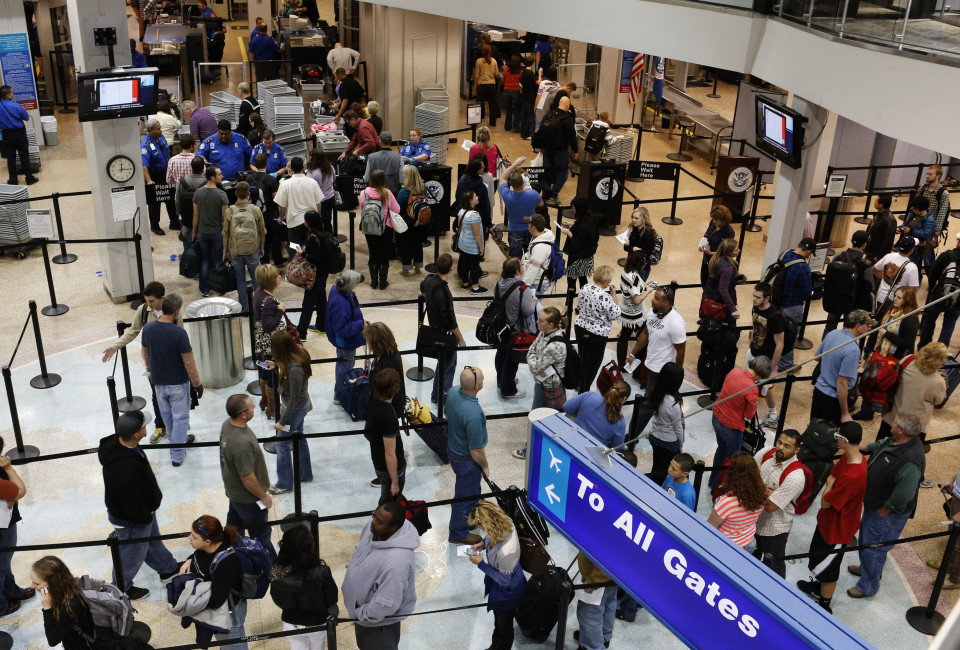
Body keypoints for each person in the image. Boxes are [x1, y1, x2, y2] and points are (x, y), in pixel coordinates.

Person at [98, 411, 179, 600]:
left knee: (151, 541)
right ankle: (120, 588)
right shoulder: (125, 468)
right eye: (143, 426)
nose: (146, 428)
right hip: (132, 520)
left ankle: (167, 568)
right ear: (136, 434)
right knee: (131, 555)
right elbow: (130, 501)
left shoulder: (121, 443)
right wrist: (144, 517)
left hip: (143, 512)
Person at [848, 413, 925, 599]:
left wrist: (887, 508)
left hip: (886, 513)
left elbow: (904, 494)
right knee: (868, 542)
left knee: (874, 548)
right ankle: (868, 570)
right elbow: (883, 444)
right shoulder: (898, 441)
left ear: (902, 430)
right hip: (875, 505)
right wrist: (866, 447)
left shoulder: (911, 459)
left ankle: (867, 586)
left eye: (895, 423)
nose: (892, 424)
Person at [797, 422, 867, 614]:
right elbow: (833, 474)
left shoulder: (853, 475)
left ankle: (824, 604)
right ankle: (817, 587)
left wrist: (828, 485)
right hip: (828, 522)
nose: (836, 440)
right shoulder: (851, 457)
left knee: (829, 569)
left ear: (844, 440)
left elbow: (825, 501)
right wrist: (830, 482)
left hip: (838, 529)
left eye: (837, 436)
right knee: (818, 559)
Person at [102, 282, 181, 441]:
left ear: (162, 298)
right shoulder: (143, 310)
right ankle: (160, 426)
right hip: (153, 363)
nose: (149, 304)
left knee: (175, 394)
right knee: (157, 395)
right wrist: (114, 347)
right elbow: (132, 331)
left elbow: (180, 336)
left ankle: (178, 423)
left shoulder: (173, 311)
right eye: (147, 301)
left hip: (171, 363)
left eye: (152, 301)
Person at [341, 502, 419, 650]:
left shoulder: (397, 563)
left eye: (379, 522)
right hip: (363, 619)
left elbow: (385, 605)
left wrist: (361, 614)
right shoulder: (372, 529)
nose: (373, 522)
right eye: (374, 517)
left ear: (393, 528)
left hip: (379, 627)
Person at [141, 294, 202, 467]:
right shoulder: (179, 333)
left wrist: (149, 369)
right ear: (176, 312)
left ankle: (179, 440)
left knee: (167, 416)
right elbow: (189, 363)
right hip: (178, 384)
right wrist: (197, 384)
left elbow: (145, 352)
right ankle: (177, 455)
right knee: (180, 418)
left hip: (158, 383)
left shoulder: (148, 328)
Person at [178, 515, 252, 648]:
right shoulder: (207, 547)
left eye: (194, 537)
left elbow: (216, 600)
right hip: (217, 606)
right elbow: (199, 556)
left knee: (233, 646)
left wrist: (190, 602)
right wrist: (190, 559)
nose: (189, 538)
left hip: (228, 615)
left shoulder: (227, 562)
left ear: (207, 541)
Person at [219, 395, 275, 557]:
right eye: (251, 406)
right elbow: (247, 478)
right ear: (243, 414)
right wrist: (263, 496)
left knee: (234, 530)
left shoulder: (227, 425)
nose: (255, 407)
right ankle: (269, 562)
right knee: (261, 536)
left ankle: (235, 556)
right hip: (249, 499)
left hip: (234, 493)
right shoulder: (241, 444)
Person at [466, 502, 526, 650]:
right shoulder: (503, 522)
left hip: (507, 590)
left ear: (487, 524)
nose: (481, 530)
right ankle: (495, 646)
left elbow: (504, 581)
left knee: (504, 625)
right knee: (498, 622)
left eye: (481, 527)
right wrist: (482, 544)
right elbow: (490, 537)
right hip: (499, 582)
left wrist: (481, 564)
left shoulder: (507, 552)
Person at [853, 287, 919, 420]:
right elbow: (881, 325)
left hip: (895, 360)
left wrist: (887, 334)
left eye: (899, 297)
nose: (895, 299)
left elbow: (907, 343)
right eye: (895, 296)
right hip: (881, 353)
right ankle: (866, 412)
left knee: (887, 389)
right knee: (871, 382)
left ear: (907, 300)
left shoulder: (910, 319)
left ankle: (887, 417)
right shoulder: (891, 310)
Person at [269, 526, 338, 650]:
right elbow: (332, 598)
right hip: (317, 620)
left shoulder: (277, 572)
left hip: (291, 620)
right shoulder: (322, 572)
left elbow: (276, 598)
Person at [265, 332, 314, 495]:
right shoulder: (297, 353)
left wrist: (282, 421)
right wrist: (275, 367)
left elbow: (293, 399)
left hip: (295, 409)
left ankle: (285, 483)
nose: (272, 350)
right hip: (300, 405)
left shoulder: (295, 370)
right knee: (299, 436)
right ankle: (305, 473)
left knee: (282, 444)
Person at [446, 367, 489, 545]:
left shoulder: (453, 392)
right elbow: (476, 450)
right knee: (464, 497)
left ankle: (470, 517)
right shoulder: (473, 414)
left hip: (453, 448)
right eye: (482, 378)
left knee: (472, 491)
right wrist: (485, 466)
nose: (484, 380)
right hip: (466, 459)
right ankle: (458, 533)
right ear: (477, 385)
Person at [708, 356, 766, 488]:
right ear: (761, 374)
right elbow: (749, 415)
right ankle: (722, 486)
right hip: (731, 427)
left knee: (721, 449)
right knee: (733, 460)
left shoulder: (734, 371)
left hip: (717, 416)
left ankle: (713, 481)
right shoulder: (752, 389)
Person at [753, 429, 805, 578]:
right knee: (751, 559)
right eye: (780, 442)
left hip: (774, 529)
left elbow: (770, 507)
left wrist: (757, 486)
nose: (781, 447)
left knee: (774, 568)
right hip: (752, 520)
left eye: (787, 446)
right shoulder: (765, 453)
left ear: (796, 450)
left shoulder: (795, 476)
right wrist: (769, 491)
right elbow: (748, 477)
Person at [876, 342, 948, 445]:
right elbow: (938, 401)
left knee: (880, 446)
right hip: (913, 426)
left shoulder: (909, 359)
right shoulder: (938, 381)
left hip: (892, 416)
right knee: (906, 452)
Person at [812, 310, 874, 425]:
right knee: (828, 433)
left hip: (818, 391)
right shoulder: (853, 349)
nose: (870, 328)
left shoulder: (833, 333)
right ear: (858, 326)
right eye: (867, 325)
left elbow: (817, 356)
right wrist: (845, 413)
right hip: (832, 399)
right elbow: (842, 383)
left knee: (813, 428)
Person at [421, 254, 467, 402]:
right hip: (445, 335)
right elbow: (451, 321)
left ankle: (445, 392)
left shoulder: (429, 279)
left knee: (449, 364)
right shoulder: (445, 293)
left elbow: (422, 290)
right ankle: (439, 395)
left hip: (434, 329)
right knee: (446, 366)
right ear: (451, 268)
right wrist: (461, 339)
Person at [626, 286, 686, 395]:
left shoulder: (676, 322)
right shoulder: (652, 312)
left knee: (651, 399)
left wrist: (677, 375)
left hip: (663, 370)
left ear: (666, 303)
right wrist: (632, 354)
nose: (652, 300)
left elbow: (681, 350)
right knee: (651, 396)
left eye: (657, 298)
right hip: (649, 363)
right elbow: (645, 334)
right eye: (654, 297)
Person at [493, 258, 536, 402]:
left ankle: (501, 381)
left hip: (500, 327)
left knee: (501, 354)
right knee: (512, 360)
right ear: (518, 270)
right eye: (522, 265)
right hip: (515, 328)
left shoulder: (498, 283)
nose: (524, 266)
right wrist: (534, 302)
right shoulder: (522, 288)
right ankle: (508, 390)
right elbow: (528, 311)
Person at [575, 265, 621, 393]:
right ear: (607, 280)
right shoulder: (605, 296)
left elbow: (579, 305)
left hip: (580, 327)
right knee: (592, 364)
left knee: (582, 358)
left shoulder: (585, 287)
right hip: (596, 334)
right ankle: (584, 390)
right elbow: (616, 314)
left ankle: (579, 383)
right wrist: (614, 295)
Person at [773, 237, 816, 373]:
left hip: (776, 302)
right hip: (792, 305)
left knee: (776, 333)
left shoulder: (785, 254)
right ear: (809, 252)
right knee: (789, 336)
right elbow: (807, 291)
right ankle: (786, 365)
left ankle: (772, 358)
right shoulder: (803, 268)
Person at [32, 556, 95, 649]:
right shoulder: (69, 586)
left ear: (52, 584)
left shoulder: (70, 607)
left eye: (36, 583)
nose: (32, 586)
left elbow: (52, 640)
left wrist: (47, 608)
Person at [708, 453, 767, 551]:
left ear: (731, 473)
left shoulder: (727, 502)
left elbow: (710, 527)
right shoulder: (762, 494)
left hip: (727, 547)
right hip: (749, 542)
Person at [222, 181, 265, 312]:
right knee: (256, 279)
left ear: (235, 193)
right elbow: (262, 232)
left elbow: (226, 233)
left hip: (235, 251)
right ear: (249, 194)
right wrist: (261, 248)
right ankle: (258, 308)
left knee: (240, 280)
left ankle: (245, 309)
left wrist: (225, 251)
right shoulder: (255, 210)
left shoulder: (230, 211)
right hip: (252, 249)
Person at [364, 368, 405, 505]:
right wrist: (395, 481)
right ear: (394, 388)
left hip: (377, 459)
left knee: (386, 498)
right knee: (389, 502)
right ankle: (380, 517)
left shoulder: (374, 402)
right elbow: (389, 454)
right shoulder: (388, 416)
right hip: (389, 469)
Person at [325, 271, 366, 408]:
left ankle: (341, 391)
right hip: (345, 341)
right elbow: (342, 329)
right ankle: (339, 395)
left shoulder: (336, 289)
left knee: (344, 365)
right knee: (345, 367)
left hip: (348, 338)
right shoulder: (340, 303)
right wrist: (360, 324)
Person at [822, 230, 873, 334]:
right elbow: (870, 286)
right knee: (849, 330)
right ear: (864, 245)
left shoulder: (839, 256)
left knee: (830, 327)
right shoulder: (865, 264)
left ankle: (826, 343)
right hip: (852, 304)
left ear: (851, 241)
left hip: (835, 299)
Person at [748, 282, 784, 429]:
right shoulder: (755, 308)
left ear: (767, 298)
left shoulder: (775, 316)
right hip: (753, 352)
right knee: (763, 387)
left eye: (758, 297)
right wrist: (750, 344)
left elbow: (780, 344)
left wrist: (773, 368)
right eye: (753, 296)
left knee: (760, 389)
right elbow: (754, 327)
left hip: (765, 360)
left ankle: (765, 416)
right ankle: (772, 414)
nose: (754, 299)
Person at [253, 264, 286, 417]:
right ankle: (272, 409)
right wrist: (280, 311)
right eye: (276, 276)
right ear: (271, 281)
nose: (280, 277)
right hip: (272, 343)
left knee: (265, 369)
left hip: (264, 343)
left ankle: (265, 400)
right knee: (273, 373)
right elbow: (268, 326)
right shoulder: (269, 301)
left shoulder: (258, 292)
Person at [0, 440, 29, 616]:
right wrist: (9, 468)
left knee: (4, 562)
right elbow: (20, 490)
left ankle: (12, 592)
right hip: (3, 527)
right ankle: (1, 605)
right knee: (1, 565)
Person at [359, 169, 400, 290]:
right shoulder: (387, 193)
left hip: (369, 227)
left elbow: (362, 209)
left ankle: (373, 282)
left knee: (373, 253)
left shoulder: (364, 193)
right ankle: (382, 282)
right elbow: (397, 209)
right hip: (385, 228)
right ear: (383, 180)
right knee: (384, 254)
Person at [296, 210, 334, 339]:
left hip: (315, 275)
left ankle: (301, 333)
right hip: (324, 272)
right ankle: (322, 326)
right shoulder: (324, 234)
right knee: (321, 299)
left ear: (308, 222)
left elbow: (315, 259)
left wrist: (302, 253)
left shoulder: (313, 237)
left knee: (308, 303)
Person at [192, 165, 229, 297]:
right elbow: (226, 218)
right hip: (218, 233)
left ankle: (204, 289)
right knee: (218, 260)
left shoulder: (198, 193)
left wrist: (194, 232)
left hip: (202, 232)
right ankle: (219, 287)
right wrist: (228, 235)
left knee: (205, 261)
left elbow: (196, 215)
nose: (222, 176)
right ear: (212, 177)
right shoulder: (221, 194)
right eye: (219, 174)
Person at [919, 233, 960, 348]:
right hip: (957, 300)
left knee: (929, 319)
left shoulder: (947, 255)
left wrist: (933, 289)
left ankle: (923, 347)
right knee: (949, 324)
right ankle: (940, 352)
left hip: (939, 294)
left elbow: (932, 274)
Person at [646, 362, 685, 480]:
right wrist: (680, 445)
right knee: (665, 472)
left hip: (654, 436)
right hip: (668, 443)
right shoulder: (673, 404)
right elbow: (678, 428)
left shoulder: (656, 394)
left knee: (656, 466)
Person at [536, 96, 578, 203]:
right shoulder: (567, 119)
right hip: (560, 151)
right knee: (562, 173)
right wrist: (576, 150)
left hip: (547, 149)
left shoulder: (548, 115)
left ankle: (546, 195)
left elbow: (541, 131)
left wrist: (540, 145)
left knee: (547, 172)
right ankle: (553, 194)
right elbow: (572, 136)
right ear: (567, 105)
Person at [562, 382, 630, 449]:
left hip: (570, 438)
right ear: (624, 399)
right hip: (590, 452)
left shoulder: (591, 395)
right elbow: (617, 448)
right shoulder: (620, 422)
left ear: (610, 390)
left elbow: (566, 407)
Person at [141, 117, 179, 236]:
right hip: (154, 175)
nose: (160, 130)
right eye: (157, 129)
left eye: (160, 128)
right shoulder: (145, 145)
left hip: (165, 173)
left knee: (170, 198)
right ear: (150, 130)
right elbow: (144, 165)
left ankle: (174, 222)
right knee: (155, 202)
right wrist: (149, 181)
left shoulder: (161, 138)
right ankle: (155, 225)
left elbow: (167, 154)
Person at [526, 305, 567, 412]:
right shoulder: (544, 332)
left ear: (551, 325)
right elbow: (531, 349)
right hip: (541, 380)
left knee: (538, 414)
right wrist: (534, 356)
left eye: (541, 321)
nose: (537, 322)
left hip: (548, 386)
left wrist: (533, 356)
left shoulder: (555, 346)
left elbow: (534, 368)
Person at [276, 156, 325, 246]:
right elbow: (318, 204)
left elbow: (281, 206)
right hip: (311, 222)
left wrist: (281, 217)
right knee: (311, 248)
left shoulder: (285, 184)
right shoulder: (312, 182)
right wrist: (318, 218)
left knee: (295, 249)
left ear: (291, 168)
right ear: (303, 167)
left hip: (294, 223)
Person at [499, 157, 543, 258]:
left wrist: (515, 164)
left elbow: (502, 178)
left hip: (515, 232)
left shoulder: (507, 195)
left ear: (510, 183)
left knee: (515, 259)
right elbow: (541, 204)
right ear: (523, 182)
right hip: (531, 229)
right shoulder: (533, 194)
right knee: (531, 257)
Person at [574, 551, 618, 650]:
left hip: (597, 577)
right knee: (608, 605)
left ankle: (591, 645)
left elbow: (606, 556)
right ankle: (603, 637)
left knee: (589, 615)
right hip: (612, 575)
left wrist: (593, 581)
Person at [616, 251, 650, 376]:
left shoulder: (626, 272)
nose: (645, 265)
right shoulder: (634, 277)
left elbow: (632, 288)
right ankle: (636, 367)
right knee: (643, 336)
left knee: (624, 337)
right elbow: (637, 299)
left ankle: (621, 366)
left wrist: (644, 285)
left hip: (626, 311)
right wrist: (648, 291)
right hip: (635, 314)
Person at [248, 153, 284, 266]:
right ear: (266, 164)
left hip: (254, 213)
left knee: (260, 236)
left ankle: (263, 260)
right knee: (275, 236)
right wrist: (281, 215)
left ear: (254, 164)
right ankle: (278, 260)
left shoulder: (249, 178)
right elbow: (276, 198)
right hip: (270, 212)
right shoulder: (271, 179)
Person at [0, 85, 38, 185]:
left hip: (6, 134)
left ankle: (13, 180)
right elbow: (26, 117)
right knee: (24, 156)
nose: (13, 94)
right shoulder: (16, 106)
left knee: (10, 158)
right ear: (8, 95)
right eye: (12, 92)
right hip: (19, 133)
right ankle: (29, 178)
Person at [560, 196, 599, 292]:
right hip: (587, 256)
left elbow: (577, 244)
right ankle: (584, 297)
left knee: (571, 280)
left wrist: (569, 233)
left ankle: (569, 300)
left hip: (577, 257)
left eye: (573, 208)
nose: (572, 209)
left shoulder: (582, 226)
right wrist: (572, 225)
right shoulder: (590, 218)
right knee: (582, 278)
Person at [872, 237, 920, 311]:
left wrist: (885, 277)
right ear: (912, 250)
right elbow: (913, 290)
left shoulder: (888, 256)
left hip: (882, 298)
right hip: (899, 303)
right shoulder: (912, 267)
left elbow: (874, 269)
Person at [454, 191, 487, 294]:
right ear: (470, 201)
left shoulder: (461, 211)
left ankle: (465, 283)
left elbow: (460, 227)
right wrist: (481, 247)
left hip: (463, 243)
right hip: (472, 246)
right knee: (474, 266)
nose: (478, 197)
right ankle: (475, 287)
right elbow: (477, 234)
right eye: (475, 196)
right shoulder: (474, 216)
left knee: (464, 263)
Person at [396, 165, 426, 275]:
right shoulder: (423, 189)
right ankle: (418, 267)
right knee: (418, 245)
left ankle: (406, 269)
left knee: (406, 246)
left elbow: (398, 208)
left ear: (407, 176)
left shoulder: (403, 191)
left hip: (407, 223)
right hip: (420, 222)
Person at [698, 205, 735, 289]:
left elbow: (728, 252)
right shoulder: (713, 223)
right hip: (706, 261)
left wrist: (711, 253)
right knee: (704, 284)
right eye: (713, 219)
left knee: (711, 288)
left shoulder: (729, 232)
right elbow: (707, 236)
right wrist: (702, 245)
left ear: (723, 220)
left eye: (716, 220)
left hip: (716, 264)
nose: (714, 221)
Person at [936, 462, 960, 589]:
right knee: (953, 534)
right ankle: (949, 566)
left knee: (959, 544)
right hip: (958, 495)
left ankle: (956, 578)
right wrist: (953, 481)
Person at [704, 238, 741, 320]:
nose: (739, 250)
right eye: (736, 250)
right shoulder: (728, 267)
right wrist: (733, 309)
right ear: (728, 252)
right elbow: (723, 289)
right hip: (722, 304)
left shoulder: (715, 258)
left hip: (711, 297)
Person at [456, 159, 492, 235]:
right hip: (478, 219)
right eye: (482, 167)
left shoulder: (461, 181)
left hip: (463, 216)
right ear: (478, 170)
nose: (484, 168)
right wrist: (489, 224)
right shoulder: (481, 186)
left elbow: (457, 196)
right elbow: (486, 207)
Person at [916, 163, 951, 241]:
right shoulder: (922, 189)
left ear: (938, 176)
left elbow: (941, 215)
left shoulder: (943, 193)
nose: (927, 176)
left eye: (930, 174)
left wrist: (935, 234)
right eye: (927, 174)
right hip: (918, 224)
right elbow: (914, 207)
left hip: (929, 227)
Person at [523, 214, 555, 296]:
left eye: (529, 224)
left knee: (534, 304)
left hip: (537, 283)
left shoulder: (540, 247)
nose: (528, 225)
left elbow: (534, 268)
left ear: (533, 227)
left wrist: (524, 285)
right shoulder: (538, 236)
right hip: (536, 280)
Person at [902, 196, 936, 272]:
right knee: (914, 266)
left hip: (923, 247)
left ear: (923, 210)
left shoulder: (929, 220)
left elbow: (926, 234)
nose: (914, 210)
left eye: (916, 209)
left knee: (928, 267)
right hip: (913, 245)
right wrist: (901, 228)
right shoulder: (914, 214)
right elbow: (907, 224)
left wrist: (911, 231)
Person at [623, 207, 658, 281]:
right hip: (631, 265)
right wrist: (632, 248)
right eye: (633, 217)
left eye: (636, 218)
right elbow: (625, 247)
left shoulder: (648, 234)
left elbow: (644, 254)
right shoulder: (635, 229)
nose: (633, 220)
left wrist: (631, 247)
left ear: (644, 219)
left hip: (641, 269)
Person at [364, 131, 403, 195]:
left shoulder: (371, 157)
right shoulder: (399, 157)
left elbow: (366, 179)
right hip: (393, 193)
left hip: (375, 193)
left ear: (380, 142)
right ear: (391, 142)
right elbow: (402, 180)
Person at [306, 149, 336, 232]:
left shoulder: (313, 173)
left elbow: (308, 187)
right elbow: (334, 178)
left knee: (318, 223)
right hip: (330, 198)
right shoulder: (330, 167)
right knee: (328, 221)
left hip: (319, 202)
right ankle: (329, 237)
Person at [865, 194, 897, 264]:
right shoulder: (879, 214)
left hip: (877, 254)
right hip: (871, 250)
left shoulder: (890, 220)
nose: (874, 203)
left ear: (881, 205)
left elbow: (887, 241)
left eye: (876, 201)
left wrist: (879, 256)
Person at [472, 45, 500, 127]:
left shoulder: (478, 61)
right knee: (492, 105)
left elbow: (476, 75)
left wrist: (475, 85)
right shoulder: (494, 61)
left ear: (482, 52)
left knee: (479, 104)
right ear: (490, 51)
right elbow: (496, 74)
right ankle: (492, 122)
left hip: (481, 85)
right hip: (491, 85)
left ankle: (476, 121)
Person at [501, 56, 523, 133]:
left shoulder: (506, 70)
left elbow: (503, 81)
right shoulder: (520, 72)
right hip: (516, 91)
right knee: (517, 109)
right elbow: (521, 81)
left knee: (509, 109)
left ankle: (507, 127)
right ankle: (516, 126)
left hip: (506, 91)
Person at [519, 55, 538, 139]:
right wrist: (540, 74)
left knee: (524, 116)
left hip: (524, 96)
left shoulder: (523, 72)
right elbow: (538, 82)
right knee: (530, 117)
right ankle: (526, 134)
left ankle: (523, 133)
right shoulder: (531, 73)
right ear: (532, 64)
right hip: (530, 98)